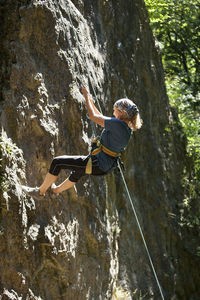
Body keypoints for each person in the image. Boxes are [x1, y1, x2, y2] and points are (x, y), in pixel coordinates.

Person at [22, 86, 142, 199]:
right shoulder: (126, 129)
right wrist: (89, 99)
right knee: (78, 171)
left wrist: (85, 97)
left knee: (57, 162)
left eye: (115, 110)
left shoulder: (117, 124)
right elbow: (99, 116)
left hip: (98, 163)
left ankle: (40, 192)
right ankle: (55, 191)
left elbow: (93, 116)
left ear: (121, 113)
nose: (113, 112)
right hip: (104, 166)